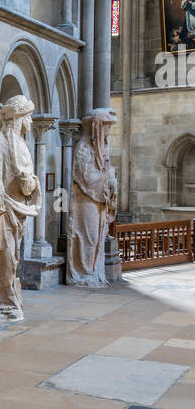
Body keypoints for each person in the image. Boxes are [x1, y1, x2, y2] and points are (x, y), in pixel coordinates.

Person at [0, 95, 41, 320]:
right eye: (29, 116)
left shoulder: (21, 144)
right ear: (19, 117)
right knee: (3, 255)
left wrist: (30, 182)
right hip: (2, 211)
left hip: (19, 210)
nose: (31, 122)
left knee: (13, 257)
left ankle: (9, 296)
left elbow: (27, 178)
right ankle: (4, 299)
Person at [68, 109, 118, 287]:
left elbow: (105, 172)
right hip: (86, 200)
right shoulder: (83, 147)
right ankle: (83, 272)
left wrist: (110, 178)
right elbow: (86, 178)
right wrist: (107, 176)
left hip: (98, 200)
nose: (108, 131)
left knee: (96, 237)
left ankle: (92, 271)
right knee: (87, 235)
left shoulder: (100, 149)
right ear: (96, 127)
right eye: (106, 126)